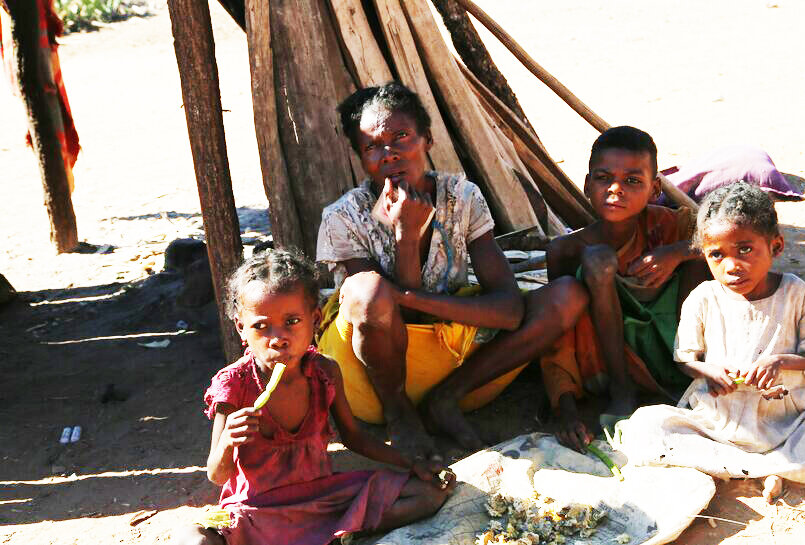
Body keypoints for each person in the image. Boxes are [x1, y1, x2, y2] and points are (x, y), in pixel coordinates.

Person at [316, 82, 586, 458]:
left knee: (567, 296)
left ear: (427, 139)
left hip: (450, 357)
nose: (389, 154)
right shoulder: (343, 218)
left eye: (401, 137)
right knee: (368, 292)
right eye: (372, 147)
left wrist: (409, 296)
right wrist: (407, 238)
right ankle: (401, 418)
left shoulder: (462, 197)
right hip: (374, 376)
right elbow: (387, 315)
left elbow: (509, 311)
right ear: (360, 157)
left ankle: (445, 399)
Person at [616, 182, 805, 502]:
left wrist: (780, 361)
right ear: (704, 256)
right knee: (646, 425)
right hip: (716, 418)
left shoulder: (794, 293)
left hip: (783, 418)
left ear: (776, 246)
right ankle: (770, 470)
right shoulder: (703, 297)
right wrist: (708, 371)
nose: (732, 266)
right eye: (717, 254)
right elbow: (685, 358)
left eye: (745, 249)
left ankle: (761, 466)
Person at [178, 250, 455, 545]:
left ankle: (334, 531)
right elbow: (216, 475)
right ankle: (336, 534)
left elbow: (355, 438)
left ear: (316, 320)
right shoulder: (234, 385)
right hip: (258, 513)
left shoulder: (324, 373)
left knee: (428, 494)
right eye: (261, 325)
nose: (278, 337)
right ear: (241, 328)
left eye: (292, 321)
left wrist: (412, 464)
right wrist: (228, 441)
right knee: (194, 540)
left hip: (323, 500)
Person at [539, 126, 710, 452]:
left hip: (673, 350)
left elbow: (729, 239)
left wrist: (677, 253)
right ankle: (622, 390)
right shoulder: (564, 250)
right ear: (587, 185)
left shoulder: (671, 227)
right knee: (597, 260)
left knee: (700, 255)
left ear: (654, 188)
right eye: (604, 178)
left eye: (632, 181)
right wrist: (564, 406)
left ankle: (693, 375)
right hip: (605, 361)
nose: (616, 189)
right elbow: (556, 335)